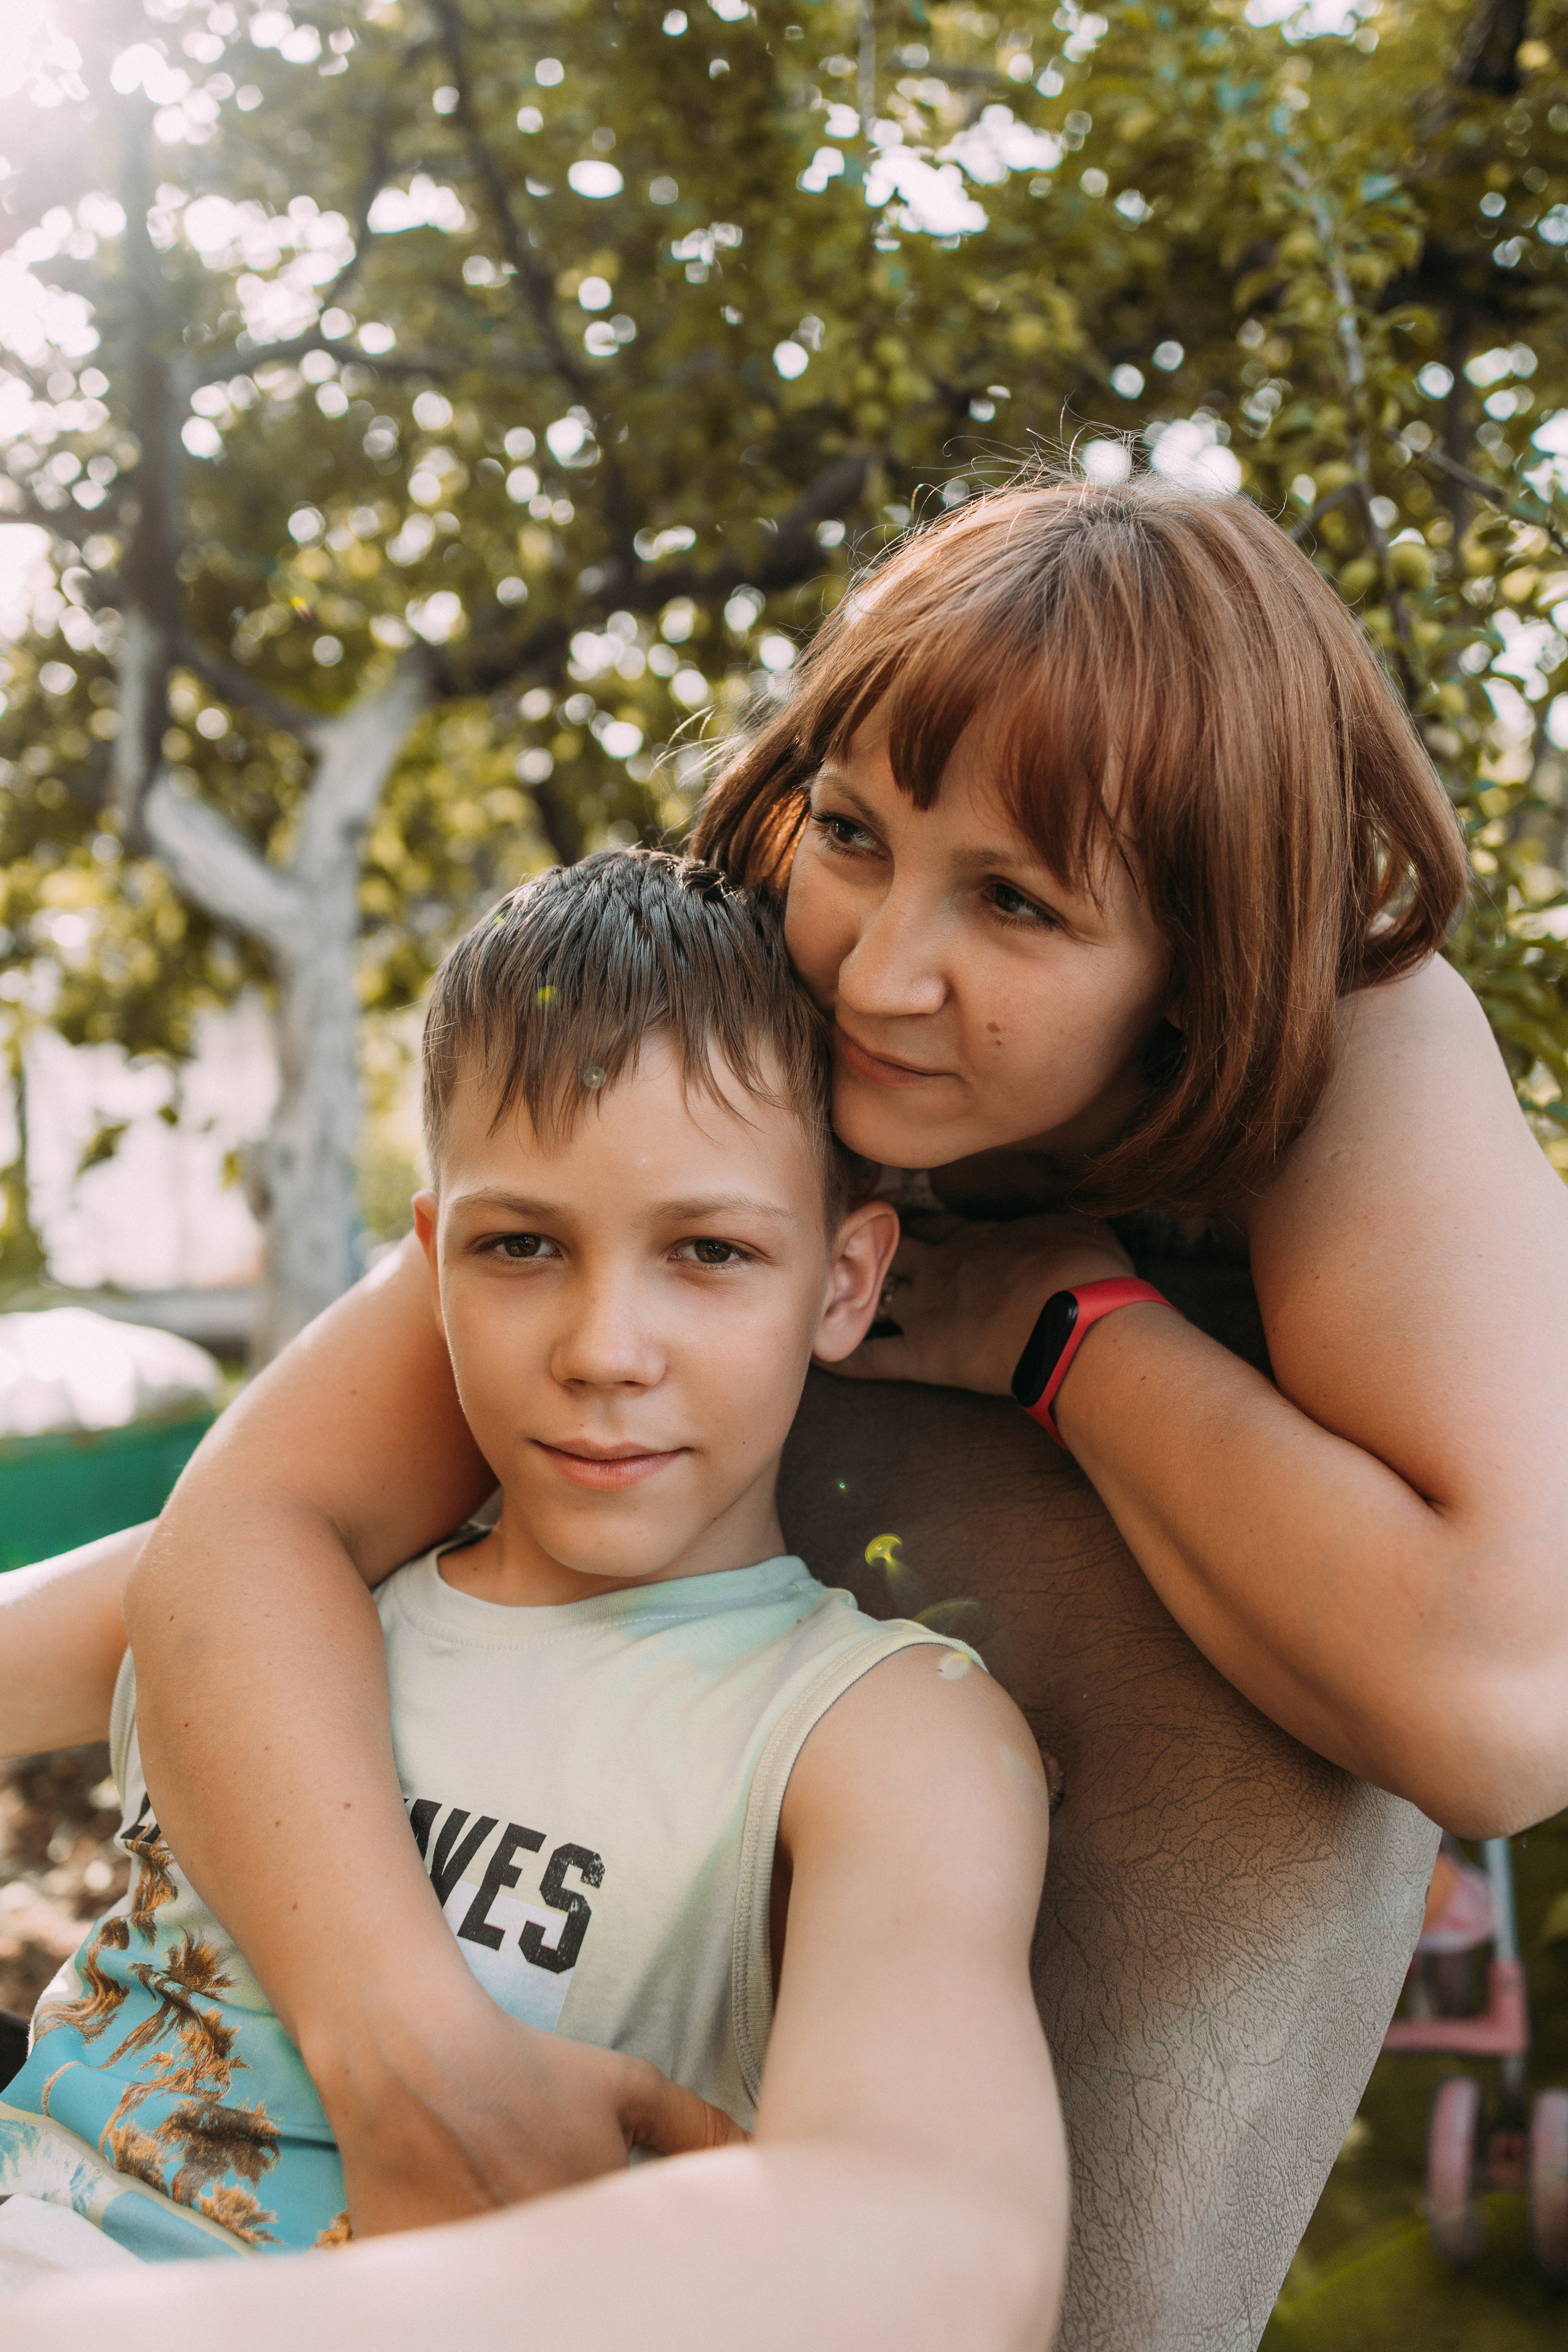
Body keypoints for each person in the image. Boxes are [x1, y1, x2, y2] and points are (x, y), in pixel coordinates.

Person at [31, 470, 1568, 2244]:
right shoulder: (754, 971)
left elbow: (1503, 1707)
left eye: (1018, 906)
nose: (875, 969)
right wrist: (406, 2051)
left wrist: (1067, 1331)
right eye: (853, 832)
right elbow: (257, 1525)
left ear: (1205, 962)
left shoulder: (1354, 1046)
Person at [1, 853, 1063, 2346]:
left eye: (707, 1252)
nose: (603, 1347)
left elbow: (955, 2249)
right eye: (521, 1248)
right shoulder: (278, 1588)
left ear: (841, 1281)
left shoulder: (875, 1729)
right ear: (431, 1267)